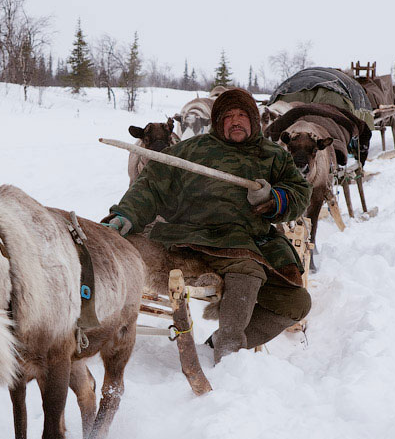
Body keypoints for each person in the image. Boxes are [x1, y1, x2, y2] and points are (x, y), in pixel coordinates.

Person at [106, 88, 313, 363]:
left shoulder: (273, 156)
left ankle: (221, 343)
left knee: (297, 303)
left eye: (242, 115)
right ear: (217, 122)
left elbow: (299, 192)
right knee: (246, 268)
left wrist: (273, 198)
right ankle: (228, 357)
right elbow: (151, 184)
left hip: (249, 240)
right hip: (191, 236)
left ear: (253, 119)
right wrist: (126, 214)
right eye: (228, 116)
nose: (235, 121)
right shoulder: (192, 150)